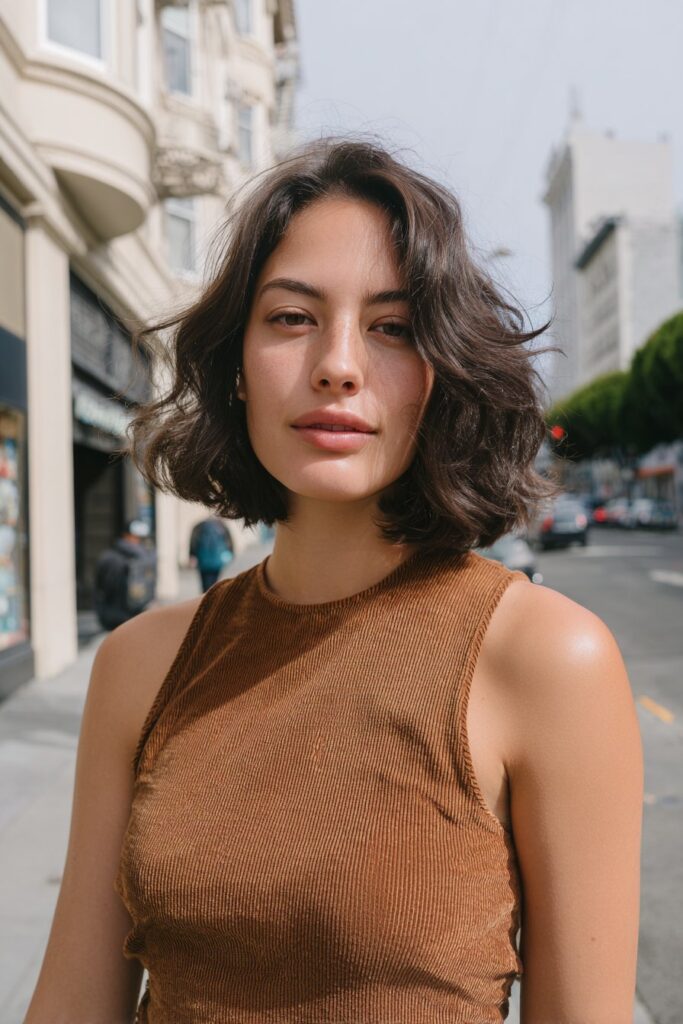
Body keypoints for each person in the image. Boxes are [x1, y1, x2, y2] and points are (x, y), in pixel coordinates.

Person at [26, 137, 643, 1023]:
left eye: (393, 328)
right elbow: (70, 1003)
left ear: (443, 373)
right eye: (290, 318)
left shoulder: (547, 658)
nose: (338, 365)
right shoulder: (139, 665)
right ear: (236, 367)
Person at [93, 519, 157, 631]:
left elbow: (101, 588)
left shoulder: (109, 557)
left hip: (113, 617)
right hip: (138, 616)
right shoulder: (148, 557)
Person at [188, 515, 234, 592]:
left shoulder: (199, 526)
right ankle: (212, 594)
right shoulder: (221, 526)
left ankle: (205, 595)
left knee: (205, 582)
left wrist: (191, 555)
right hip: (217, 561)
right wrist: (231, 553)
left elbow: (193, 541)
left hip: (203, 560)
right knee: (214, 582)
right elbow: (229, 542)